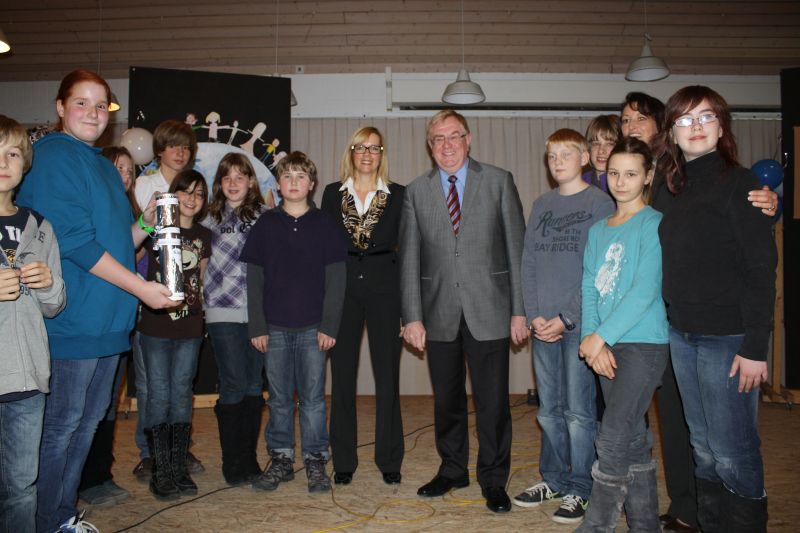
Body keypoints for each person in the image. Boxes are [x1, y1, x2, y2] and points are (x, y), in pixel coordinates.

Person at [16, 68, 176, 533]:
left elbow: (117, 243)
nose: (91, 112)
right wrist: (142, 289)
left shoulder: (104, 167)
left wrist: (145, 224)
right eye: (80, 102)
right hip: (74, 319)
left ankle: (63, 515)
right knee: (62, 428)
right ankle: (45, 521)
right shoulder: (51, 157)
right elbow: (76, 244)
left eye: (100, 105)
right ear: (60, 107)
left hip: (109, 320)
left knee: (86, 428)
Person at [620, 91, 778, 533]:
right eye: (685, 120)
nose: (696, 126)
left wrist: (755, 346)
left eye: (706, 117)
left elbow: (761, 270)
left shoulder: (743, 184)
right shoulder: (670, 187)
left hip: (727, 340)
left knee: (733, 451)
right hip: (681, 336)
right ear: (671, 132)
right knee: (703, 449)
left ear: (722, 127)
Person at [400, 109, 527, 514]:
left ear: (468, 139)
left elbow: (516, 249)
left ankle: (493, 479)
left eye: (454, 136)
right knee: (447, 401)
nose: (447, 145)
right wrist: (412, 316)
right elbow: (410, 260)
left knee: (492, 403)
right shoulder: (416, 191)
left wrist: (519, 311)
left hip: (490, 308)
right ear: (429, 145)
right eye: (438, 138)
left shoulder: (499, 181)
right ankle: (453, 469)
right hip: (437, 314)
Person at [514, 128, 614, 524]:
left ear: (585, 158)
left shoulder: (600, 203)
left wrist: (566, 318)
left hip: (578, 326)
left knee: (578, 412)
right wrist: (535, 313)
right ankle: (554, 479)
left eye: (566, 154)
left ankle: (581, 488)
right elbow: (529, 262)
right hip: (543, 326)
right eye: (552, 155)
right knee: (549, 412)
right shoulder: (541, 204)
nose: (557, 162)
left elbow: (599, 270)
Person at [575, 137, 669, 532]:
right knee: (631, 438)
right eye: (613, 173)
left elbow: (645, 290)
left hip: (644, 344)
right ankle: (646, 524)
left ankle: (597, 525)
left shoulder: (655, 223)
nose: (621, 181)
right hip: (605, 346)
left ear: (648, 176)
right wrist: (592, 337)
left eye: (631, 174)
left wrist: (601, 337)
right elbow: (589, 288)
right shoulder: (598, 230)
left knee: (611, 438)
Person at [241, 151, 346, 493]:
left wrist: (330, 325)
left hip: (314, 328)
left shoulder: (326, 225)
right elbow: (253, 279)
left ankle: (316, 460)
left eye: (302, 177)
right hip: (274, 328)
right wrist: (256, 325)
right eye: (288, 177)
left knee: (313, 399)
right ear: (279, 184)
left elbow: (336, 279)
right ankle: (282, 458)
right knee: (280, 399)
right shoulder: (266, 224)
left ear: (312, 184)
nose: (295, 183)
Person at [321, 127, 405, 486]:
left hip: (386, 287)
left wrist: (409, 308)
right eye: (360, 147)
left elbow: (410, 249)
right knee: (341, 377)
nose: (367, 153)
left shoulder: (400, 195)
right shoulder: (330, 193)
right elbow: (321, 249)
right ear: (351, 152)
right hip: (341, 288)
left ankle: (389, 459)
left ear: (382, 153)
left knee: (388, 376)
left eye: (374, 147)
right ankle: (343, 461)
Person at [0, 114, 66, 533]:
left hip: (26, 379)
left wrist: (46, 284)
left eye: (11, 154)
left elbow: (56, 303)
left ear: (24, 163)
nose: (3, 163)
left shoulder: (39, 227)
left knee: (21, 487)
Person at [132, 119, 203, 479]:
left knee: (179, 385)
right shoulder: (146, 185)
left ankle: (177, 450)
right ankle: (149, 452)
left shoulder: (191, 187)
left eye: (186, 147)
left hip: (184, 304)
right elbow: (144, 237)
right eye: (173, 146)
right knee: (150, 385)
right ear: (159, 149)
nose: (180, 152)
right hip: (148, 292)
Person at [138, 170, 211, 500]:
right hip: (156, 325)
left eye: (199, 193)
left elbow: (200, 280)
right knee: (159, 391)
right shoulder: (156, 229)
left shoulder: (204, 236)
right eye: (185, 192)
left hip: (189, 326)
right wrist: (145, 223)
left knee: (182, 391)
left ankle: (178, 464)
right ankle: (160, 466)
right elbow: (134, 256)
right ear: (173, 195)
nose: (192, 198)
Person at [77, 147, 138, 507]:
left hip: (119, 318)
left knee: (107, 405)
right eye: (118, 169)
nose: (125, 176)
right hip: (89, 317)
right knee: (80, 410)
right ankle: (82, 478)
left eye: (129, 171)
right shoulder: (95, 211)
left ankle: (99, 474)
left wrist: (146, 223)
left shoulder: (124, 212)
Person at [203, 153, 266, 486]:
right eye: (227, 177)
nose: (233, 183)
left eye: (240, 177)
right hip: (221, 310)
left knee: (255, 385)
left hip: (258, 313)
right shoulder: (208, 217)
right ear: (220, 183)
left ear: (251, 181)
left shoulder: (267, 217)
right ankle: (232, 461)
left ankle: (249, 457)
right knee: (233, 383)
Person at [582, 115, 621, 194]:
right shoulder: (581, 181)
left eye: (609, 144)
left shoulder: (623, 184)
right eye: (596, 144)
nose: (601, 151)